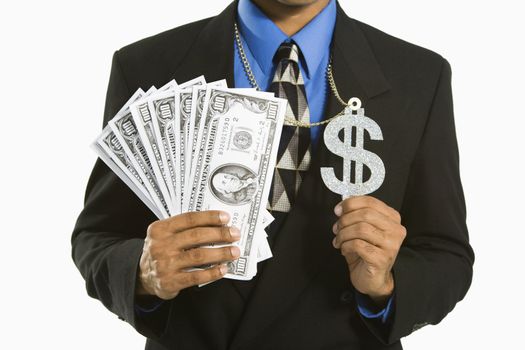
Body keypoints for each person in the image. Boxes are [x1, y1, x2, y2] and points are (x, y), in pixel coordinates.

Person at [72, 0, 474, 349]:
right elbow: (98, 236)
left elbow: (447, 254)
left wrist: (386, 286)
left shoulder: (419, 77)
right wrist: (142, 274)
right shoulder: (146, 66)